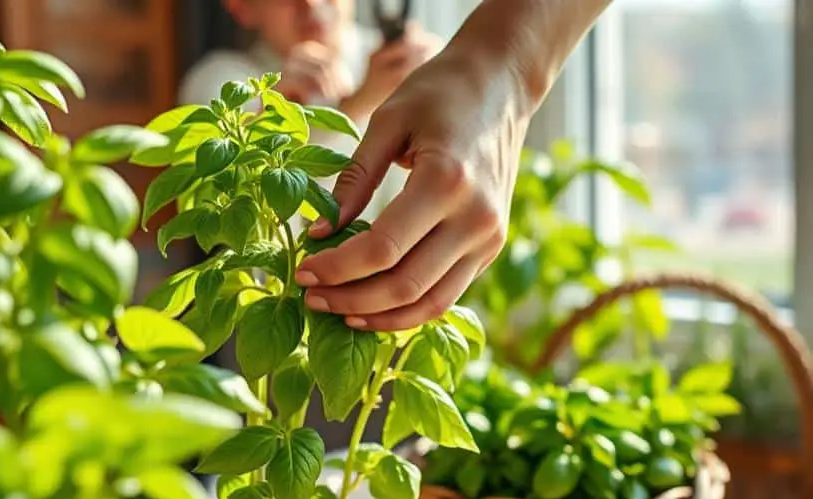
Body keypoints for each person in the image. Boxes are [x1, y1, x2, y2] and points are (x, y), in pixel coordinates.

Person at [295, 0, 612, 332]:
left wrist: (500, 68)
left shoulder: (379, 51)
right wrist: (500, 65)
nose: (310, 3)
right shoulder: (250, 77)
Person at [179, 0, 442, 217]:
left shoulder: (408, 57)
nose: (311, 3)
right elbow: (244, 207)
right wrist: (360, 102)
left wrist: (451, 87)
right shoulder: (220, 84)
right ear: (242, 7)